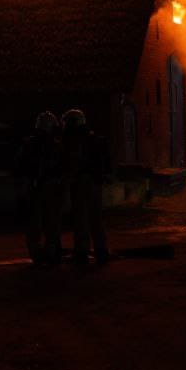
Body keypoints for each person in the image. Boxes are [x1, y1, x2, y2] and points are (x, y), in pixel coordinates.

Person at [63, 109, 110, 266]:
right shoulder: (93, 138)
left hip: (82, 181)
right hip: (95, 182)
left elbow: (73, 162)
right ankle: (101, 250)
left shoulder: (76, 139)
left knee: (81, 217)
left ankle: (82, 251)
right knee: (96, 217)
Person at [17, 111, 64, 265]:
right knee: (51, 221)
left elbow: (21, 166)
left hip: (34, 185)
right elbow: (60, 167)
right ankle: (51, 251)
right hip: (49, 186)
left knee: (34, 221)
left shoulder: (29, 144)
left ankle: (36, 252)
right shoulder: (55, 145)